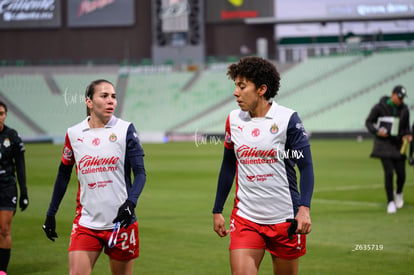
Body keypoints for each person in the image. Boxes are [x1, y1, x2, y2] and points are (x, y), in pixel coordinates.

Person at [212, 56, 314, 275]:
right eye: (235, 86)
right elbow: (228, 165)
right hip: (246, 218)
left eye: (241, 86)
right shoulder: (233, 120)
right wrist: (217, 209)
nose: (235, 92)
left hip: (285, 220)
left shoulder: (288, 120)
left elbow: (305, 167)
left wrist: (304, 209)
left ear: (261, 89)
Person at [42, 79, 146, 275]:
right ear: (89, 102)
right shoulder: (73, 134)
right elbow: (64, 173)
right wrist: (51, 212)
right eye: (104, 96)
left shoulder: (126, 130)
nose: (111, 101)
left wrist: (131, 203)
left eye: (113, 97)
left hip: (121, 223)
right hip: (86, 223)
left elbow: (140, 173)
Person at [365, 85, 411, 214]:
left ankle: (399, 192)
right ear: (393, 94)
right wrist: (377, 131)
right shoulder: (380, 107)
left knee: (401, 174)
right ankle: (390, 201)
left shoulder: (405, 110)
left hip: (398, 145)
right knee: (389, 172)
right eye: (399, 97)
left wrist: (407, 135)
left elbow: (406, 128)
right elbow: (369, 122)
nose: (401, 100)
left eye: (403, 98)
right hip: (383, 145)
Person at [0, 101, 29, 275]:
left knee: (4, 229)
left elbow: (20, 165)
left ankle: (2, 270)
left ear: (5, 115)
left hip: (6, 187)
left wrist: (24, 192)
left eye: (2, 113)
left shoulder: (11, 136)